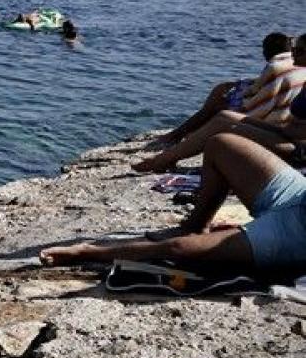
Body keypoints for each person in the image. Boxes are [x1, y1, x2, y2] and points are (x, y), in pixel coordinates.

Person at [41, 135, 306, 274]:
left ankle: (87, 252)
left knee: (179, 248)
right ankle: (196, 224)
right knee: (221, 143)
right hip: (296, 195)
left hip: (294, 235)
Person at [134, 34, 306, 172]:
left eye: (300, 51)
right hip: (286, 134)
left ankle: (163, 160)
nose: (293, 55)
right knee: (224, 116)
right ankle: (168, 155)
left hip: (297, 149)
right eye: (294, 49)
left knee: (222, 128)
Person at [155, 33, 296, 147]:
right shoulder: (293, 63)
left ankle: (178, 135)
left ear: (268, 50)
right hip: (283, 115)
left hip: (269, 122)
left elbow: (255, 98)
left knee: (216, 106)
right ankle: (187, 133)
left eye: (263, 49)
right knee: (221, 92)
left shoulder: (274, 66)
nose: (263, 53)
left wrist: (239, 95)